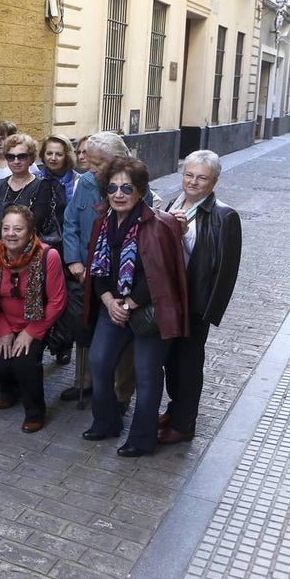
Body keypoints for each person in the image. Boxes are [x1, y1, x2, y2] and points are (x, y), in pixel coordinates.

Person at [82, 157, 187, 458]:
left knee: (147, 375)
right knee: (99, 363)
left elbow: (161, 274)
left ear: (140, 190)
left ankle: (142, 439)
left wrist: (128, 303)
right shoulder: (102, 221)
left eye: (127, 187)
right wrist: (108, 301)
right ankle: (106, 422)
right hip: (111, 306)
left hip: (148, 313)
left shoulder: (160, 224)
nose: (118, 194)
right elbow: (97, 271)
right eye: (113, 187)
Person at [159, 150, 242, 445]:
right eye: (189, 175)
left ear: (214, 181)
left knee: (188, 363)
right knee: (171, 360)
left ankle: (184, 425)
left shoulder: (224, 215)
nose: (193, 182)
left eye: (202, 178)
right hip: (171, 298)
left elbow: (224, 269)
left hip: (195, 302)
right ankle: (175, 408)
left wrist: (208, 312)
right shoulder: (176, 202)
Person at [0, 205, 67, 433]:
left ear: (30, 232)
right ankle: (9, 392)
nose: (11, 234)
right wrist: (3, 331)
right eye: (6, 228)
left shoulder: (48, 255)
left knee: (25, 362)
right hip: (6, 322)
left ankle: (35, 412)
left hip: (39, 321)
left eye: (18, 229)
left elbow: (57, 301)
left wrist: (31, 332)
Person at [60, 131, 131, 405]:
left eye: (99, 163)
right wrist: (74, 260)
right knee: (85, 324)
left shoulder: (134, 184)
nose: (91, 168)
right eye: (90, 161)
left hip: (118, 274)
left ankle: (119, 393)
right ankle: (84, 381)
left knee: (121, 333)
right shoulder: (87, 182)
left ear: (118, 160)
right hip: (85, 270)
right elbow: (71, 222)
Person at [0, 133, 62, 255]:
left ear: (31, 158)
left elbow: (36, 225)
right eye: (11, 157)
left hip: (28, 255)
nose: (16, 161)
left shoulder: (42, 186)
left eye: (21, 156)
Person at [35, 135, 79, 203]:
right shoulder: (34, 179)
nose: (53, 158)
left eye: (59, 154)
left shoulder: (78, 181)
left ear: (67, 157)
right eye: (49, 153)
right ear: (43, 155)